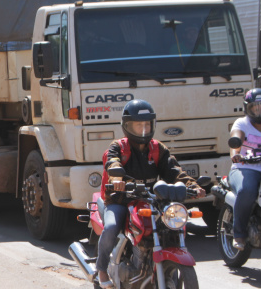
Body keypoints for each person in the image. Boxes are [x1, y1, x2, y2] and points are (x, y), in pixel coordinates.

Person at [97, 99, 205, 288]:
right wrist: (116, 179)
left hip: (150, 200)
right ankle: (102, 269)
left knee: (171, 226)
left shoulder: (158, 148)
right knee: (111, 227)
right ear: (127, 126)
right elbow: (111, 161)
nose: (143, 129)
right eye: (138, 125)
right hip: (120, 200)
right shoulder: (119, 147)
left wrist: (192, 186)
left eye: (147, 124)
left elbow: (174, 171)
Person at [227, 88, 261, 251]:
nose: (258, 110)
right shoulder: (242, 123)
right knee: (248, 189)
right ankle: (239, 233)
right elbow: (236, 138)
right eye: (255, 107)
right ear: (248, 108)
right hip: (244, 167)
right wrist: (236, 153)